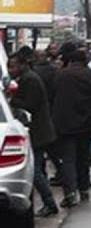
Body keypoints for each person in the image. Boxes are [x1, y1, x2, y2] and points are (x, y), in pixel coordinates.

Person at [49, 44, 91, 209]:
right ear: (85, 61)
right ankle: (84, 190)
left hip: (63, 124)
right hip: (87, 124)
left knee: (68, 159)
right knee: (83, 157)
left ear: (70, 61)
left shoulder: (60, 76)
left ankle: (70, 193)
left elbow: (51, 98)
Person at [8, 54, 58, 217]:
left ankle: (49, 203)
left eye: (13, 66)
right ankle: (48, 202)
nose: (10, 70)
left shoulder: (30, 80)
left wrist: (12, 100)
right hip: (39, 130)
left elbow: (30, 105)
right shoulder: (27, 78)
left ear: (22, 65)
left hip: (38, 131)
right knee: (39, 169)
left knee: (35, 170)